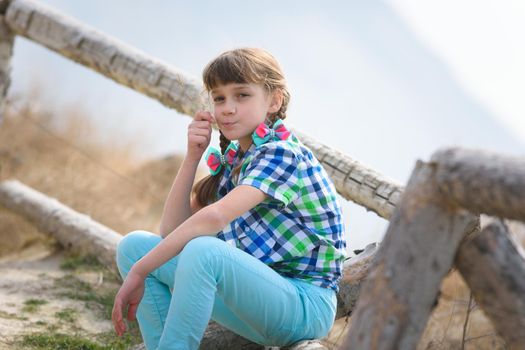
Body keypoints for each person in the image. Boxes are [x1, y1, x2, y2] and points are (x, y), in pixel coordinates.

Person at [112, 47, 347, 350]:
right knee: (134, 247)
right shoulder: (237, 159)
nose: (227, 108)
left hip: (303, 306)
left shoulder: (282, 153)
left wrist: (140, 271)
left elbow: (214, 218)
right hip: (255, 300)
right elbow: (171, 233)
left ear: (274, 100)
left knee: (204, 251)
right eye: (219, 98)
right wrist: (192, 157)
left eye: (242, 95)